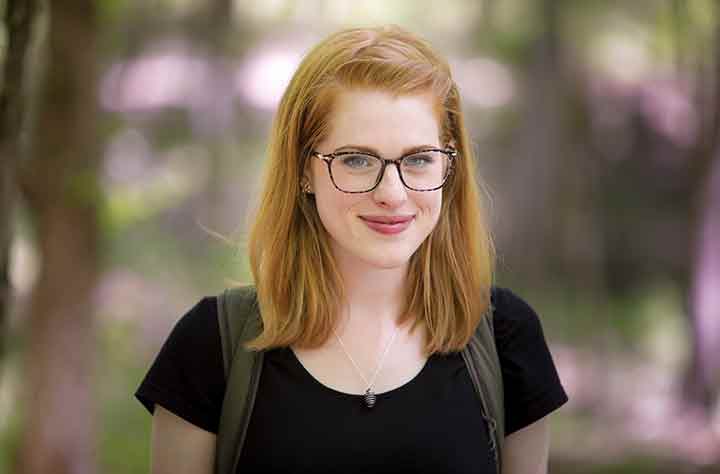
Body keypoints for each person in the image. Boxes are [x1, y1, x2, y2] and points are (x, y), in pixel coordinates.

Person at [135, 24, 568, 474]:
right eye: (358, 160)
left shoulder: (507, 340)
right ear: (304, 171)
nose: (392, 194)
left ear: (449, 164)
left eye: (418, 159)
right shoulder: (209, 347)